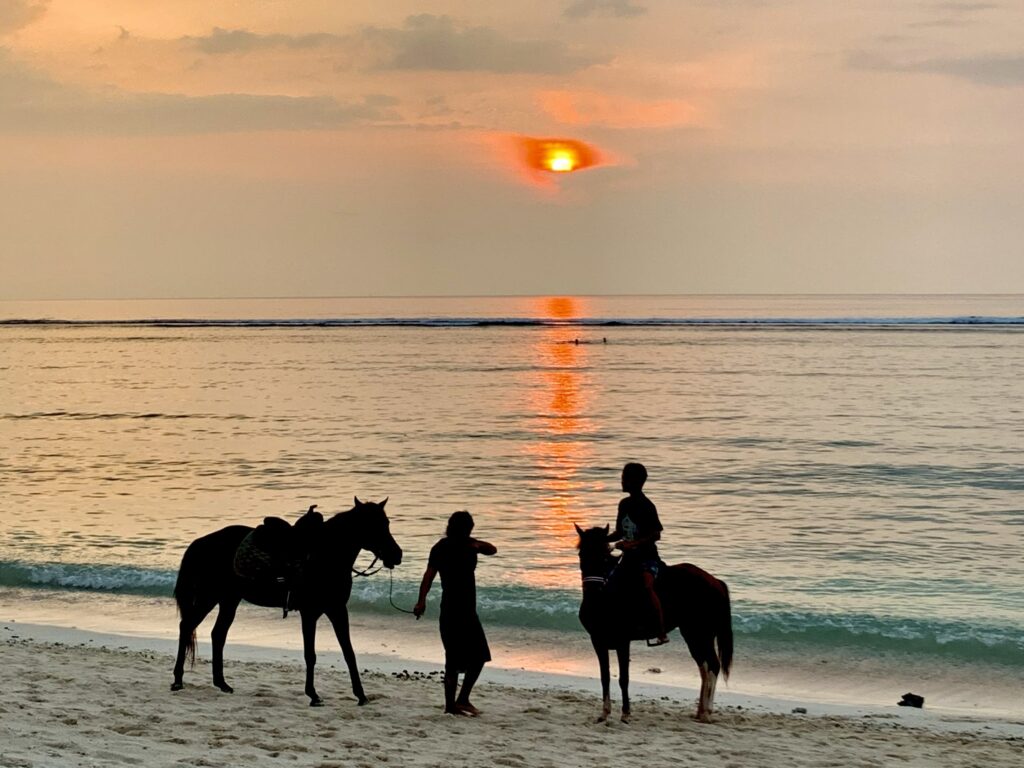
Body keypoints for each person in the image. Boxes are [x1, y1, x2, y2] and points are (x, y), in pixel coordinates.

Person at [413, 511, 497, 715]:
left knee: (478, 657)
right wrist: (421, 601)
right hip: (453, 609)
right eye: (469, 529)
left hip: (465, 610)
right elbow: (429, 576)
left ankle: (461, 700)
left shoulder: (468, 545)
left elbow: (492, 549)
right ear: (464, 528)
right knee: (456, 659)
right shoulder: (444, 547)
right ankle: (451, 705)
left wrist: (476, 544)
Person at [608, 462, 668, 645]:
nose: (622, 480)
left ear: (636, 481)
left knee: (646, 586)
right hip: (628, 558)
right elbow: (619, 532)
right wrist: (601, 539)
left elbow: (656, 534)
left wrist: (634, 544)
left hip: (647, 558)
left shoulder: (647, 505)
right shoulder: (624, 504)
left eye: (625, 477)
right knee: (608, 583)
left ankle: (660, 631)